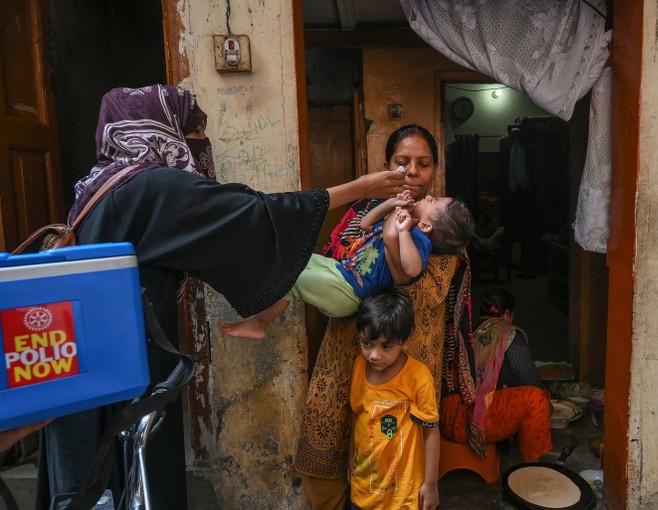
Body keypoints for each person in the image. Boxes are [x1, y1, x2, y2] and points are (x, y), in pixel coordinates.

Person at [33, 84, 406, 510]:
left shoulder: (99, 182)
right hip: (121, 367)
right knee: (124, 479)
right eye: (194, 134)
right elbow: (252, 214)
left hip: (80, 362)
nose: (200, 147)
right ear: (164, 129)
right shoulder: (148, 187)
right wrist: (359, 188)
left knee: (91, 479)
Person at [294, 124, 475, 510]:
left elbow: (421, 290)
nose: (412, 172)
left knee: (394, 468)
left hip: (409, 365)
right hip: (345, 353)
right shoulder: (364, 213)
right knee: (326, 453)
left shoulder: (443, 229)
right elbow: (335, 265)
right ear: (385, 165)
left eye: (424, 164)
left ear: (434, 170)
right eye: (402, 162)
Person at [218, 190, 474, 339]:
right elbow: (365, 224)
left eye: (433, 201)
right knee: (297, 258)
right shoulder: (400, 221)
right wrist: (391, 205)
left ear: (427, 226)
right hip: (339, 272)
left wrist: (404, 230)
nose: (428, 195)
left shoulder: (417, 239)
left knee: (293, 277)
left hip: (348, 292)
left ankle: (260, 324)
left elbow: (412, 268)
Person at [348, 288, 440, 510]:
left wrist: (431, 483)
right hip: (363, 489)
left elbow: (431, 432)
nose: (374, 354)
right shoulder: (359, 367)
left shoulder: (418, 376)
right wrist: (349, 461)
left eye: (386, 346)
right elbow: (356, 416)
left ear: (405, 341)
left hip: (403, 496)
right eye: (367, 343)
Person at [439, 288, 553, 461]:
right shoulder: (508, 334)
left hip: (446, 417)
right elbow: (530, 380)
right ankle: (533, 465)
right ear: (507, 314)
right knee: (538, 398)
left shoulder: (463, 330)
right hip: (472, 422)